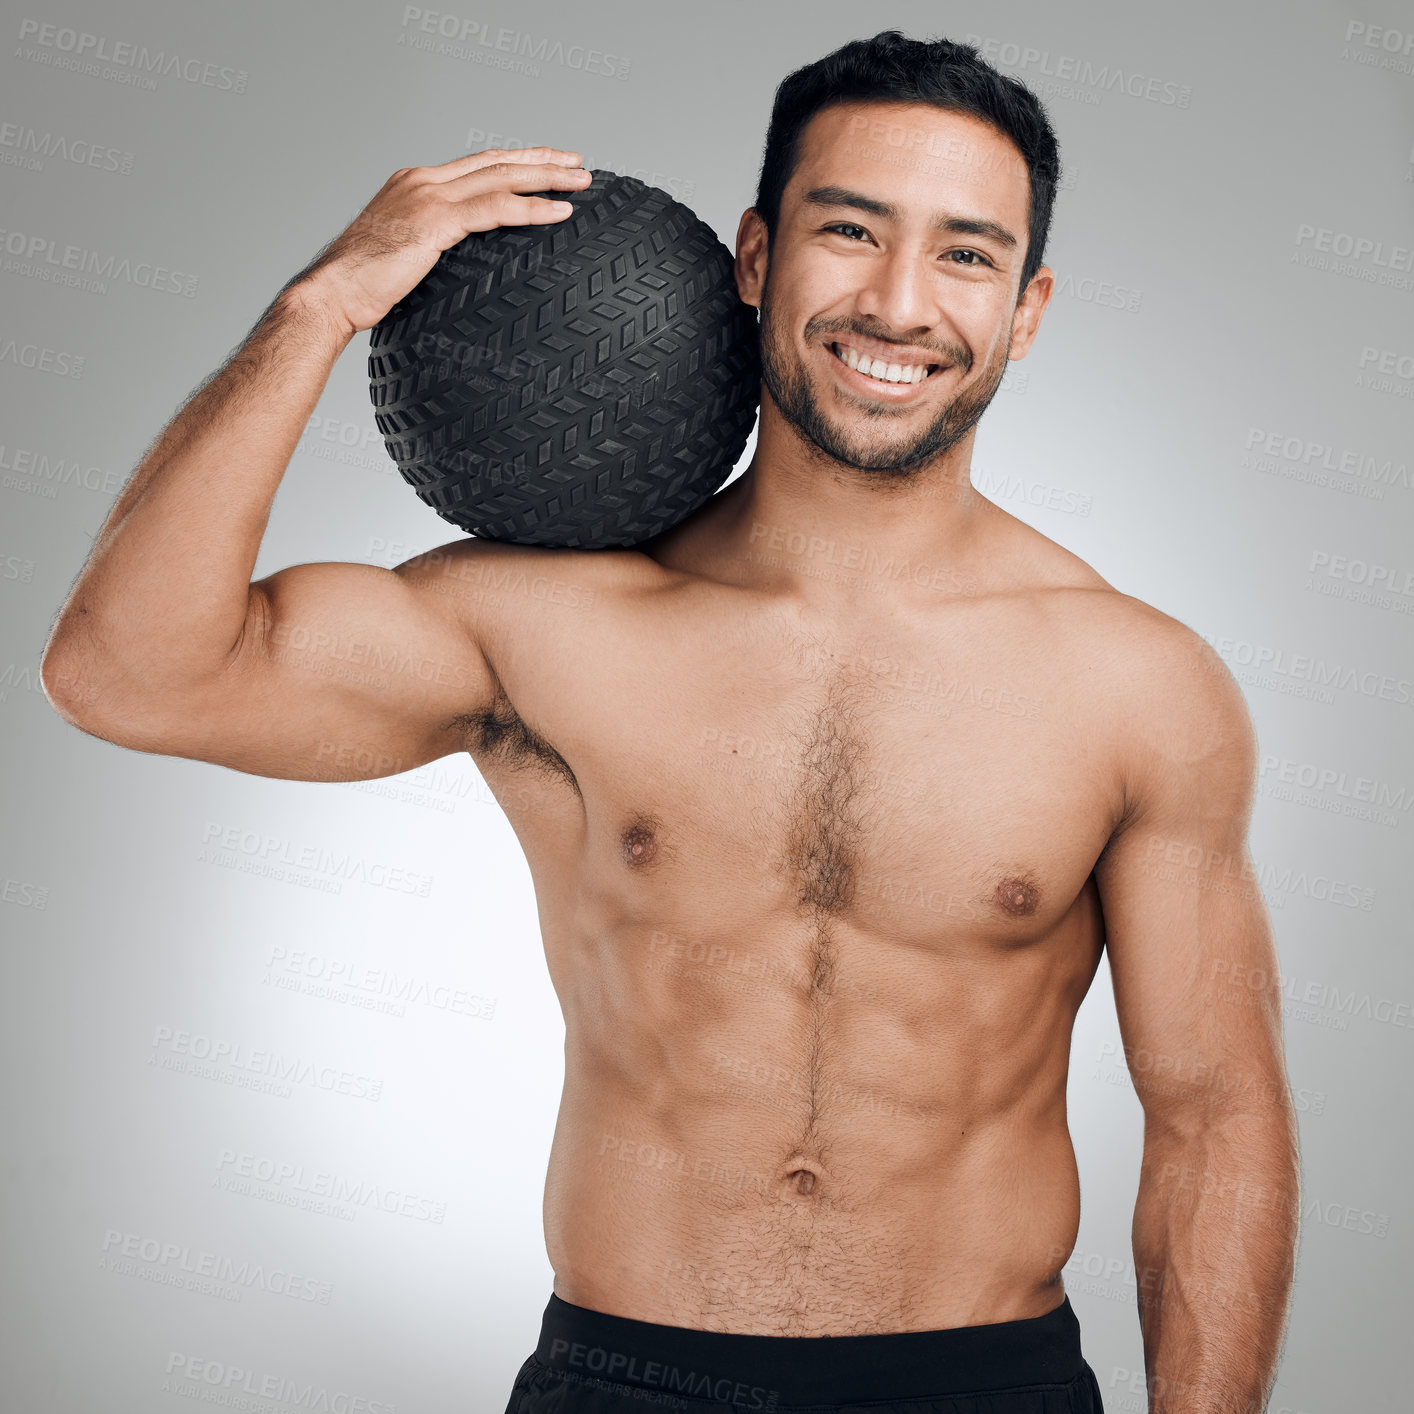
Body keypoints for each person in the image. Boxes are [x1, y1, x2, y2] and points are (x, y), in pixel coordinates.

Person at [41, 29, 1299, 1414]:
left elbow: (1212, 1118)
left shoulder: (1136, 682)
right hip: (626, 1376)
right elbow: (128, 671)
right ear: (754, 258)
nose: (896, 303)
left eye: (963, 253)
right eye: (849, 231)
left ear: (1026, 305)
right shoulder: (545, 625)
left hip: (978, 1378)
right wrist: (321, 307)